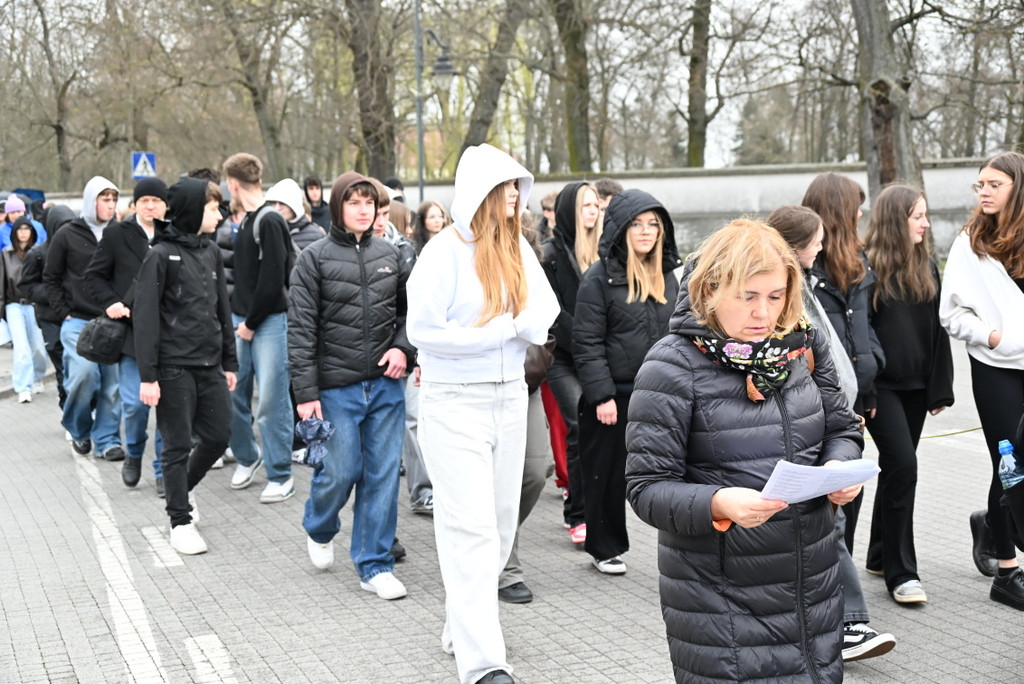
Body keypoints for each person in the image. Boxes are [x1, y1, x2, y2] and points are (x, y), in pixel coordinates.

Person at [625, 219, 864, 682]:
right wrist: (718, 503)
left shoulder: (803, 346)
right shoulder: (670, 366)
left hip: (812, 587)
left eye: (775, 297)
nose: (764, 313)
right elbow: (646, 487)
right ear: (712, 289)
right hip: (721, 603)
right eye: (748, 297)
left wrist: (839, 465)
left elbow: (841, 426)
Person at [406, 143, 558, 684]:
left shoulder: (515, 246)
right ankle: (484, 662)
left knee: (494, 528)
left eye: (521, 185)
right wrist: (500, 330)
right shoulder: (441, 252)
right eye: (509, 186)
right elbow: (423, 333)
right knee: (468, 527)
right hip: (454, 402)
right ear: (484, 193)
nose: (519, 195)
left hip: (509, 396)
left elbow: (544, 309)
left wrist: (523, 327)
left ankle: (461, 622)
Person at [768, 204, 897, 661]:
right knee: (825, 526)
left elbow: (831, 357)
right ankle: (848, 625)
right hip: (804, 423)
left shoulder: (806, 286)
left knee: (827, 524)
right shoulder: (787, 291)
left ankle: (838, 623)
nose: (821, 247)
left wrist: (845, 419)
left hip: (828, 418)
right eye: (816, 240)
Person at [289, 171, 414, 599]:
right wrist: (305, 394)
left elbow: (409, 316)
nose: (364, 210)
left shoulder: (391, 255)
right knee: (340, 471)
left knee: (381, 476)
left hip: (385, 386)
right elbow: (301, 331)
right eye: (354, 202)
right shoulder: (314, 258)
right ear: (338, 207)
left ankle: (373, 565)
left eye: (370, 203)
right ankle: (320, 526)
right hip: (335, 389)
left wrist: (403, 349)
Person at [571, 189, 680, 575]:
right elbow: (586, 341)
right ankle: (604, 547)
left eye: (653, 224)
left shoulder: (668, 275)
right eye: (637, 224)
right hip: (613, 396)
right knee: (607, 476)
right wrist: (601, 395)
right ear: (620, 229)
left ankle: (684, 545)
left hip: (660, 395)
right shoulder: (599, 278)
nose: (646, 232)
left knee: (671, 473)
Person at [861, 184, 955, 604]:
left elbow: (936, 332)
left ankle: (880, 553)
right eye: (918, 215)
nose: (926, 223)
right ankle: (902, 574)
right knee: (904, 465)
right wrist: (864, 393)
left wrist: (940, 388)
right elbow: (859, 336)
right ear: (897, 219)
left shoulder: (925, 263)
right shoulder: (865, 267)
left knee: (897, 470)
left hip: (918, 387)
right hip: (883, 389)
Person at [134, 178, 238, 555]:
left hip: (209, 365)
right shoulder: (160, 255)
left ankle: (182, 491)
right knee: (176, 447)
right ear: (194, 210)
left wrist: (229, 360)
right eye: (213, 208)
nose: (219, 213)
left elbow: (221, 311)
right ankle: (180, 520)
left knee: (218, 436)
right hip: (173, 369)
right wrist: (149, 375)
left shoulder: (210, 251)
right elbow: (145, 318)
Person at [940, 150, 1024, 610]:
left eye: (996, 184)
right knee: (1010, 461)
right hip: (996, 365)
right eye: (981, 185)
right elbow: (951, 312)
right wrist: (991, 336)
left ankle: (992, 525)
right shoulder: (970, 242)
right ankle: (1008, 572)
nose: (985, 192)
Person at [802, 172, 884, 552]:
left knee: (850, 490)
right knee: (824, 494)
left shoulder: (859, 261)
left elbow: (864, 326)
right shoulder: (807, 270)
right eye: (856, 206)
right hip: (822, 398)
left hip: (857, 392)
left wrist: (870, 375)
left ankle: (845, 569)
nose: (862, 214)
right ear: (839, 211)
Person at [84, 177, 169, 492]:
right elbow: (94, 276)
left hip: (169, 335)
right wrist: (111, 303)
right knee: (134, 404)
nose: (149, 206)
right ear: (135, 204)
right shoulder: (117, 234)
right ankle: (134, 452)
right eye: (143, 200)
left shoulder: (172, 235)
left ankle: (163, 469)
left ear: (165, 205)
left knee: (169, 407)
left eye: (155, 200)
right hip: (132, 335)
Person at [222, 153, 295, 503]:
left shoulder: (269, 221)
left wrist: (249, 324)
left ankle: (280, 474)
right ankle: (248, 457)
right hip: (243, 321)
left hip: (266, 323)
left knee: (271, 400)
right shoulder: (248, 218)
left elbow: (273, 281)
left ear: (233, 184)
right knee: (234, 392)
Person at [43, 177, 125, 461]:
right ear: (91, 201)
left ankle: (107, 440)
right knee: (83, 375)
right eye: (105, 199)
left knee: (112, 384)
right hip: (77, 320)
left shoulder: (120, 232)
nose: (111, 205)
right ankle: (79, 429)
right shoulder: (67, 234)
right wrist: (64, 312)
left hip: (114, 321)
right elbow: (50, 278)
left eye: (114, 200)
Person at [542, 180, 603, 543]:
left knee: (602, 433)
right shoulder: (549, 254)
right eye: (585, 205)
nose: (593, 211)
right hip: (562, 357)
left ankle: (597, 512)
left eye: (596, 204)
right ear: (569, 211)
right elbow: (552, 313)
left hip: (598, 356)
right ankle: (576, 513)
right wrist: (587, 340)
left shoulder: (609, 251)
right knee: (579, 426)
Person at [19, 205, 76, 408]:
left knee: (78, 369)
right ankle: (68, 411)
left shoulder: (80, 250)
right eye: (62, 226)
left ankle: (80, 412)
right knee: (62, 369)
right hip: (50, 319)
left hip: (76, 318)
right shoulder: (37, 254)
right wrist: (53, 294)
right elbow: (26, 286)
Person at [1, 217, 48, 403]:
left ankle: (37, 377)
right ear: (14, 232)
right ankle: (23, 387)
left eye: (26, 228)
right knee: (21, 348)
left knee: (37, 347)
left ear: (32, 231)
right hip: (13, 304)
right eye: (19, 229)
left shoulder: (39, 253)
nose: (23, 232)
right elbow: (1, 283)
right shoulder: (6, 254)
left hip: (34, 304)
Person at [266, 178, 326, 251]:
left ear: (294, 206)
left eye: (282, 203)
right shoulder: (269, 231)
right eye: (274, 203)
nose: (277, 208)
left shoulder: (317, 235)